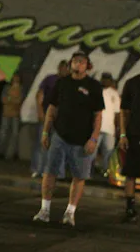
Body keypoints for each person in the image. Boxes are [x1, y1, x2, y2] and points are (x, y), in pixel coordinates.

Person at [33, 51, 104, 227]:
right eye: (75, 61)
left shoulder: (94, 86)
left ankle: (70, 213)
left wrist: (94, 138)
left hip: (83, 139)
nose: (78, 64)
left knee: (79, 176)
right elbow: (52, 109)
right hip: (60, 135)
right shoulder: (62, 83)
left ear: (88, 65)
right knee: (49, 172)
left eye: (82, 62)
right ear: (70, 64)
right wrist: (45, 132)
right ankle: (44, 210)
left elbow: (98, 115)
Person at [117, 50, 140, 223]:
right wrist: (123, 134)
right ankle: (130, 209)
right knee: (130, 174)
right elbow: (124, 111)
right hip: (133, 136)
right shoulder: (132, 83)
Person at [31, 60, 69, 178]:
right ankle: (37, 169)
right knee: (42, 143)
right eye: (62, 67)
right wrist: (40, 111)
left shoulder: (70, 82)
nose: (64, 70)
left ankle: (53, 172)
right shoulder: (50, 79)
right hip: (47, 116)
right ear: (59, 68)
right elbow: (40, 95)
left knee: (58, 146)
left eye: (66, 68)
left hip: (61, 119)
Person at [95, 72, 120, 177]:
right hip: (95, 128)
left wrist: (117, 128)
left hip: (110, 129)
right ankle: (88, 172)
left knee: (108, 152)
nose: (105, 81)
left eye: (107, 79)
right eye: (104, 79)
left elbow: (117, 113)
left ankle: (106, 174)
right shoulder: (96, 90)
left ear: (111, 81)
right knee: (92, 152)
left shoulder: (114, 93)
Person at [0, 72, 24, 160]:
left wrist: (10, 99)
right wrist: (13, 99)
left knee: (15, 134)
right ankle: (0, 152)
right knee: (3, 132)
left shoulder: (21, 89)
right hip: (6, 113)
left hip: (16, 114)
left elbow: (19, 100)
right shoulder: (7, 87)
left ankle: (12, 153)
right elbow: (3, 99)